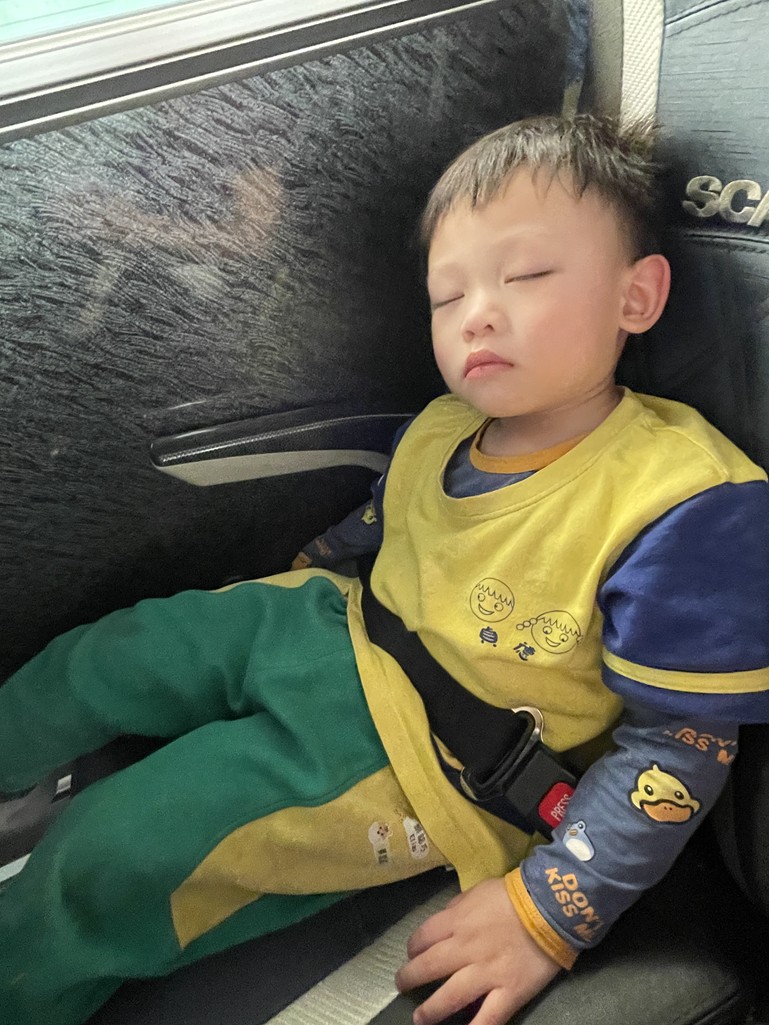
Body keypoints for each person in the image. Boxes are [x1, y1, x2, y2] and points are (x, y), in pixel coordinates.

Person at [2, 114, 769, 1025]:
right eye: (448, 295)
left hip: (426, 756)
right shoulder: (443, 424)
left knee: (118, 849)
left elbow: (678, 749)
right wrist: (289, 589)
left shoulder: (684, 499)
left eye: (526, 275)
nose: (476, 312)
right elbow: (377, 524)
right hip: (337, 623)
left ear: (634, 297)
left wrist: (552, 908)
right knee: (108, 656)